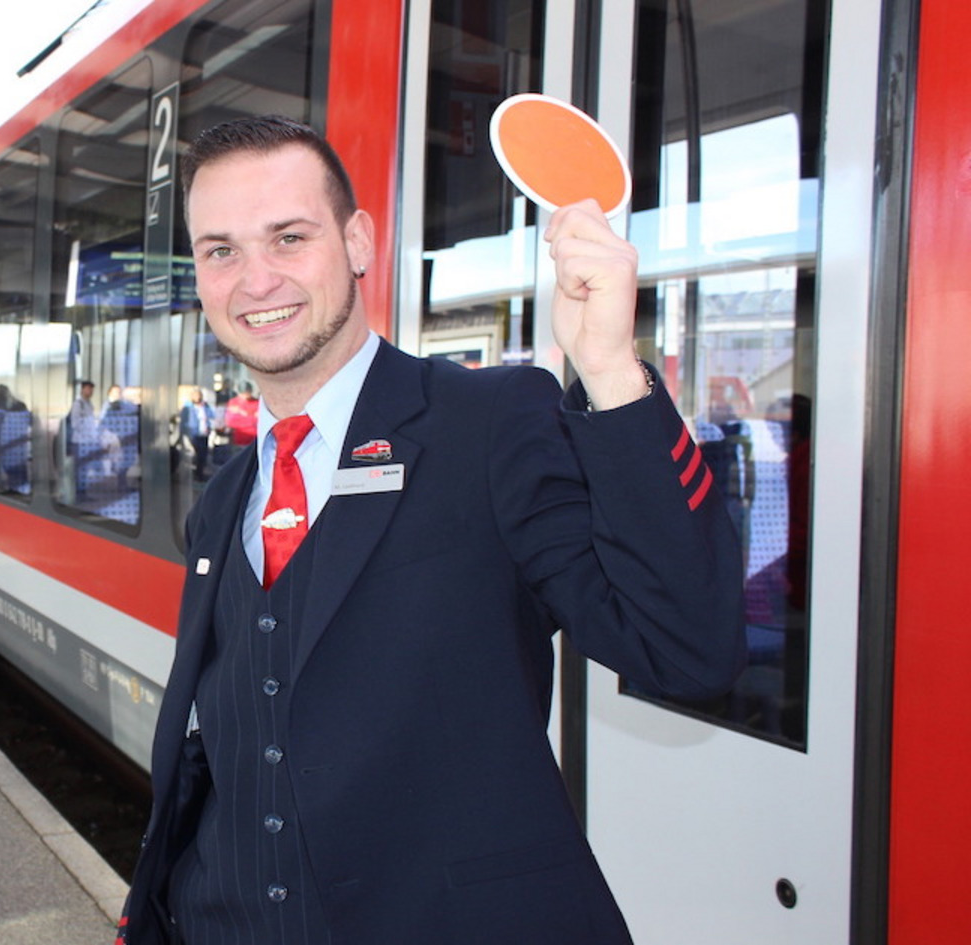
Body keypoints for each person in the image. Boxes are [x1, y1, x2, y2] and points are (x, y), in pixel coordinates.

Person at [116, 116, 746, 944]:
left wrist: (610, 373)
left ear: (358, 242)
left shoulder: (487, 422)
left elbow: (688, 646)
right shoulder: (224, 498)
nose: (255, 279)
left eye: (289, 237)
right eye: (220, 250)